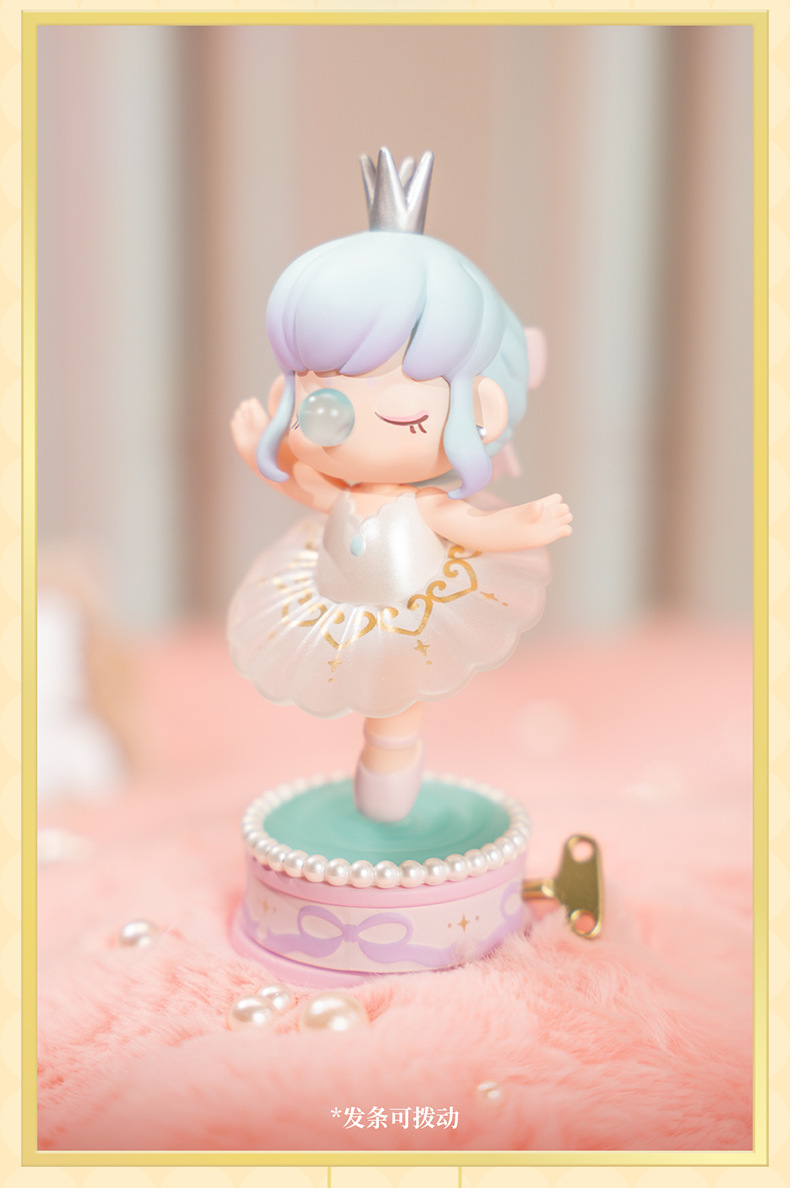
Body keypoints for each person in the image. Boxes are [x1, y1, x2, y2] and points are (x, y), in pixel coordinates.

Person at [229, 149, 571, 823]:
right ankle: (379, 789)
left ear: (481, 413)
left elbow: (468, 526)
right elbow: (310, 493)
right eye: (315, 391)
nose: (336, 418)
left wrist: (520, 527)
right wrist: (256, 454)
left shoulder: (423, 503)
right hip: (334, 601)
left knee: (394, 713)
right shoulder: (345, 491)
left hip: (412, 612)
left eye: (397, 412)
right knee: (365, 697)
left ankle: (391, 774)